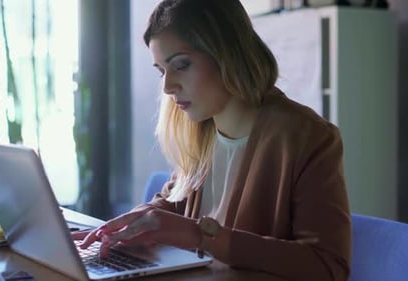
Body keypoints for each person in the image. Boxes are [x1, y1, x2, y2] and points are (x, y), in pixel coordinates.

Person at [75, 0, 351, 279]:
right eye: (161, 70)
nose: (168, 87)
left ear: (228, 53)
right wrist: (131, 223)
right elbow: (172, 203)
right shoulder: (201, 128)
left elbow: (327, 266)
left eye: (180, 65)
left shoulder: (307, 137)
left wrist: (202, 236)